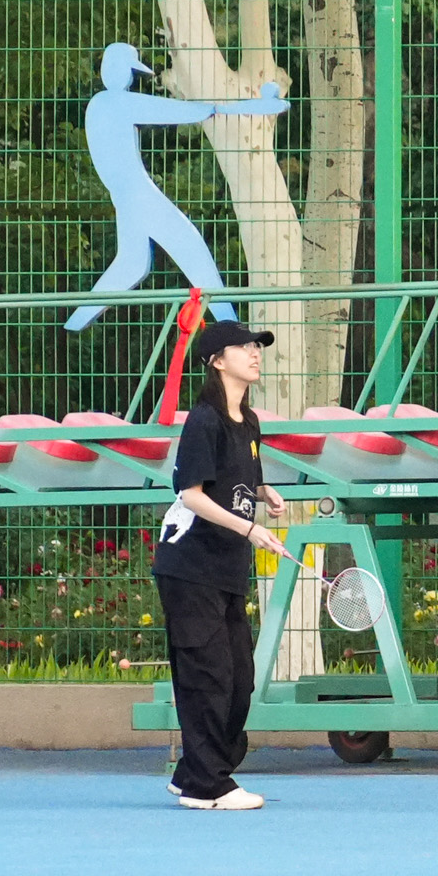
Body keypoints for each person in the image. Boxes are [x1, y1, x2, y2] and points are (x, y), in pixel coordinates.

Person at [151, 318, 290, 810]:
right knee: (208, 677)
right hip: (189, 567)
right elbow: (191, 494)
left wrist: (264, 492)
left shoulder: (248, 422)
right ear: (216, 361)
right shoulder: (203, 420)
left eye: (257, 346)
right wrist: (250, 529)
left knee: (240, 680)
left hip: (227, 570)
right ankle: (206, 787)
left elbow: (236, 477)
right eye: (243, 347)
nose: (254, 353)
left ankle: (195, 770)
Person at [67, 43, 288, 332]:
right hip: (138, 194)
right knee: (193, 249)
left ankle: (73, 324)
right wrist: (248, 107)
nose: (130, 78)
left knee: (132, 264)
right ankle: (233, 333)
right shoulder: (112, 103)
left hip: (125, 195)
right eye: (129, 71)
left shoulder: (99, 105)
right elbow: (178, 111)